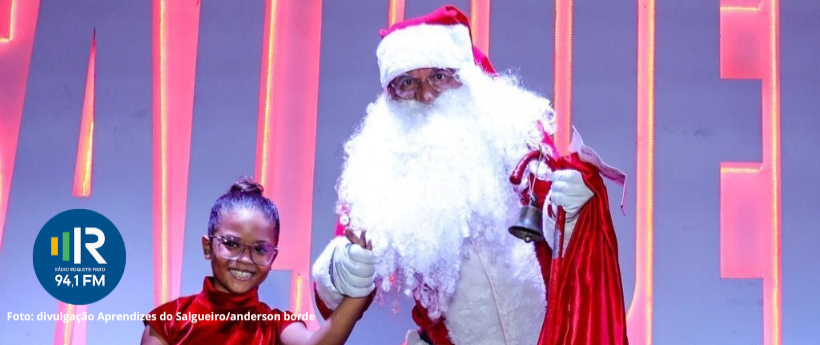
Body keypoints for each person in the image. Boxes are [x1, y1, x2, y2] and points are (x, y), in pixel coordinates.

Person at [311, 5, 628, 345]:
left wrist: (573, 209)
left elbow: (563, 233)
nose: (426, 95)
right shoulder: (382, 167)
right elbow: (336, 286)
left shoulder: (514, 135)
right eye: (407, 83)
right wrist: (343, 269)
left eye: (438, 77)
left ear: (464, 77)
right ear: (391, 94)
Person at [141, 177, 375, 345]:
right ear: (207, 246)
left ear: (273, 257)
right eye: (232, 244)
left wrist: (359, 287)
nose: (245, 259)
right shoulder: (167, 321)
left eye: (260, 249)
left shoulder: (275, 325)